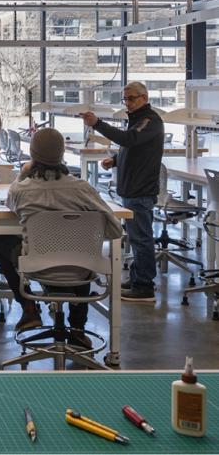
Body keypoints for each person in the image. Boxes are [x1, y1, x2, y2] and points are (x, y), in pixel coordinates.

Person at [0, 128, 123, 342]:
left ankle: (28, 306)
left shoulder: (21, 190)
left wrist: (23, 173)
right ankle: (78, 329)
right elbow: (115, 230)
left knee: (1, 242)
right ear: (62, 154)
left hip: (36, 264)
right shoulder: (83, 189)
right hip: (80, 268)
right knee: (81, 252)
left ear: (33, 155)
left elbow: (9, 204)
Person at [79, 82, 163, 302]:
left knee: (142, 239)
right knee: (136, 238)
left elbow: (129, 140)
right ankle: (137, 278)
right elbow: (134, 148)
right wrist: (116, 160)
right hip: (131, 188)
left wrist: (97, 123)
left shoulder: (150, 120)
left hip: (140, 190)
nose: (128, 103)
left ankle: (144, 286)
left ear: (144, 98)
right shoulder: (137, 120)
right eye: (125, 99)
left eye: (132, 98)